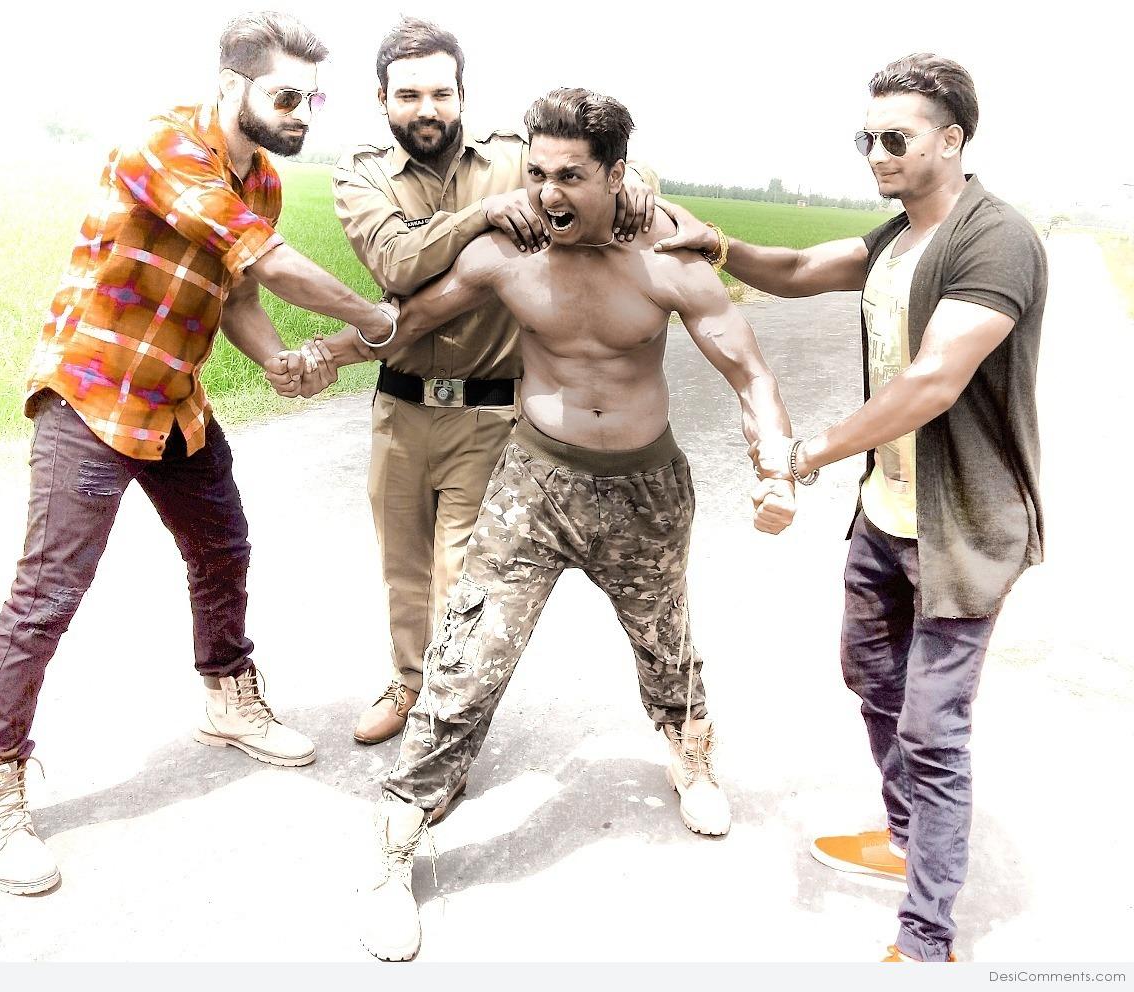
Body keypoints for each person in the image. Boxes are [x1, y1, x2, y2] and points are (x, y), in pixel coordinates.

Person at [313, 86, 797, 962]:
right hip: (534, 485)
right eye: (536, 173)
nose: (546, 192)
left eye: (570, 175)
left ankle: (689, 754)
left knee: (666, 642)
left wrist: (775, 465)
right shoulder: (508, 252)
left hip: (646, 491)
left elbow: (750, 373)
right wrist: (326, 353)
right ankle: (396, 846)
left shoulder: (669, 256)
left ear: (618, 175)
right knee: (467, 657)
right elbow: (409, 321)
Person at [0, 11, 398, 896]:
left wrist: (275, 360)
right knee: (48, 593)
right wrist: (372, 317)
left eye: (311, 99)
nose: (302, 113)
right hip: (92, 391)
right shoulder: (164, 145)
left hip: (173, 400)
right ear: (233, 85)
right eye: (286, 96)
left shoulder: (262, 179)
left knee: (222, 547)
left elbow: (237, 294)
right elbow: (269, 263)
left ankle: (227, 694)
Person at [655, 53, 1048, 962]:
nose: (875, 154)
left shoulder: (994, 240)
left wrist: (806, 453)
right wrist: (718, 246)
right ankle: (907, 836)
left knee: (934, 727)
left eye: (895, 139)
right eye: (865, 139)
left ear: (952, 140)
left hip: (963, 527)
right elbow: (796, 267)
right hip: (885, 515)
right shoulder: (898, 238)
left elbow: (933, 381)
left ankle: (927, 939)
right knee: (870, 676)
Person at [332, 18, 659, 746]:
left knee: (461, 574)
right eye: (408, 94)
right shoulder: (363, 175)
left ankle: (444, 713)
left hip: (488, 412)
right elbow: (396, 263)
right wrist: (483, 214)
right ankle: (406, 683)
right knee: (401, 565)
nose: (427, 109)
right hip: (400, 406)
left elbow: (589, 168)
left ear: (462, 94)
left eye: (440, 93)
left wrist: (634, 181)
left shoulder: (515, 159)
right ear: (382, 98)